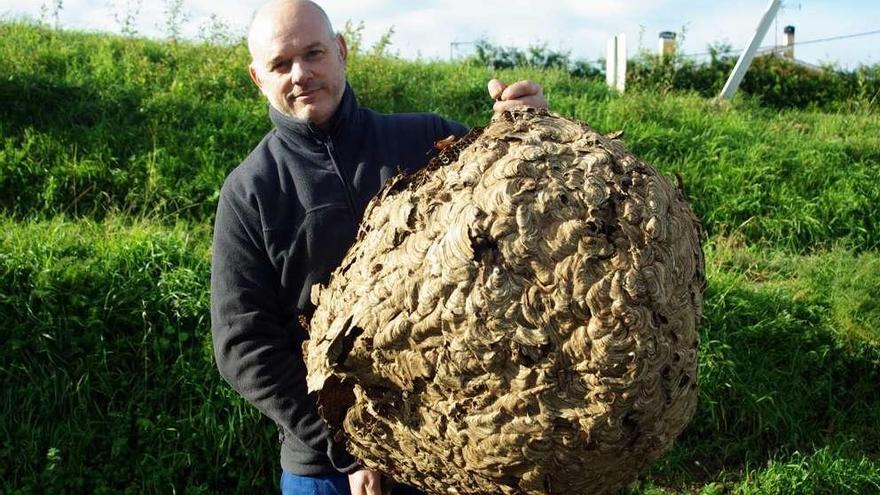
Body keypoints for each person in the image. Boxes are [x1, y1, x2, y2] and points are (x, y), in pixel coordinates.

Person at [209, 1, 548, 494]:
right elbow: (243, 344)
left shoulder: (428, 139)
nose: (301, 74)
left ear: (341, 52)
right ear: (258, 78)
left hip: (453, 449)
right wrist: (346, 447)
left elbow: (518, 204)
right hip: (326, 470)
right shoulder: (251, 192)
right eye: (281, 65)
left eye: (314, 53)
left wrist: (527, 130)